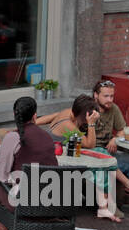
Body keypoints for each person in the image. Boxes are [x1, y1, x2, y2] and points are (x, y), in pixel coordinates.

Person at [0, 96, 58, 230]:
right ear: (35, 116)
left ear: (15, 115)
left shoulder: (13, 137)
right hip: (51, 203)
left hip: (25, 205)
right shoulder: (47, 137)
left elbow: (1, 175)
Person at [45, 94, 123, 222]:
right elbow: (90, 145)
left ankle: (105, 206)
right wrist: (91, 124)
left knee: (101, 155)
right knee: (98, 159)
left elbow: (50, 118)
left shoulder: (68, 113)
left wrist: (32, 122)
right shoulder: (68, 125)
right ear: (85, 116)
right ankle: (107, 205)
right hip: (60, 164)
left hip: (67, 157)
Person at [89, 80, 129, 207]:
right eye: (106, 96)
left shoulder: (113, 108)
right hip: (92, 153)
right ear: (96, 95)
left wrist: (114, 139)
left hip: (109, 150)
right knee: (109, 160)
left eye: (112, 96)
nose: (110, 99)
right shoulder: (88, 109)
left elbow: (123, 130)